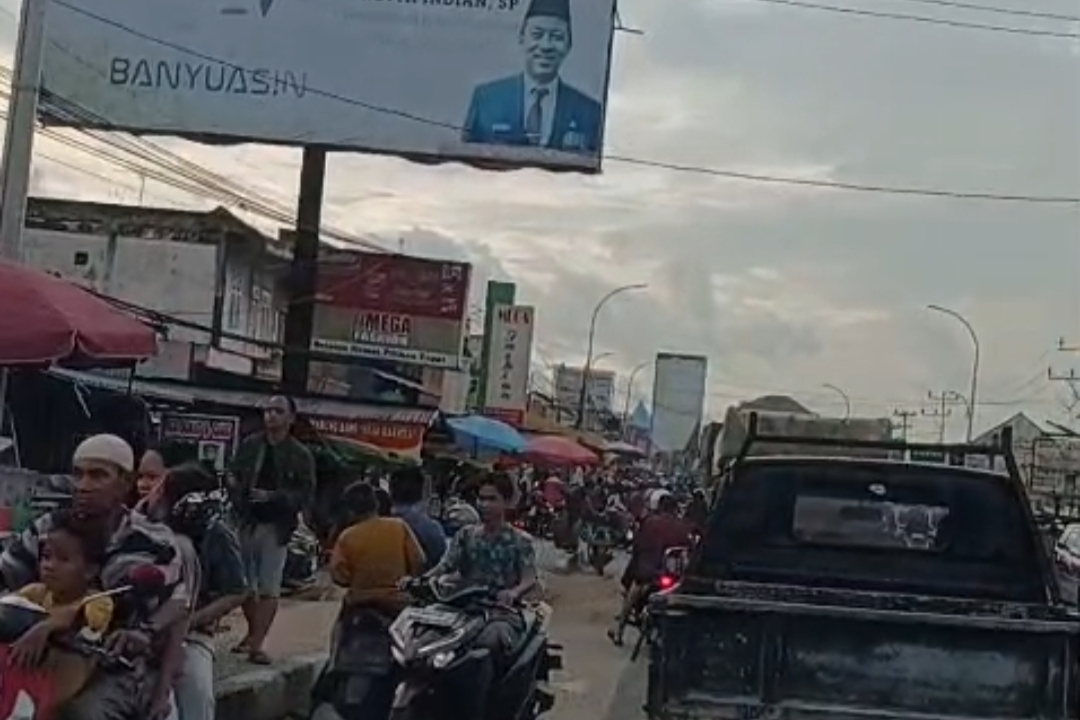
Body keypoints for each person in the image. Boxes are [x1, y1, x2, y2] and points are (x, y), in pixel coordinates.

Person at [0, 434, 187, 720]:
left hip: (122, 669)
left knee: (79, 713)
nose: (83, 485)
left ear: (126, 482)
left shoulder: (154, 542)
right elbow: (8, 574)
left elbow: (178, 608)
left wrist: (146, 634)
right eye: (78, 474)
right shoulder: (48, 528)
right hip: (45, 660)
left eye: (98, 475)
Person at [427, 473, 538, 720]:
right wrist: (423, 580)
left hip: (502, 614)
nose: (484, 504)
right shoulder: (466, 535)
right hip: (462, 608)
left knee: (486, 647)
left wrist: (512, 593)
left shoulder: (520, 541)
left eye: (492, 499)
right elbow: (445, 566)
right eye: (481, 498)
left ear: (507, 502)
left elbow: (529, 578)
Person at [149, 464, 249, 720]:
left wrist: (192, 621)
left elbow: (237, 591)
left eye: (161, 488)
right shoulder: (149, 527)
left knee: (197, 696)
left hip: (192, 635)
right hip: (149, 632)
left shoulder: (217, 534)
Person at [229, 395, 315, 665]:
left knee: (269, 586)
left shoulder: (300, 455)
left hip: (276, 526)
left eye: (278, 411)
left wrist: (275, 497)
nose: (271, 416)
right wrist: (238, 493)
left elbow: (305, 493)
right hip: (246, 520)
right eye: (268, 411)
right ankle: (253, 633)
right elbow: (233, 474)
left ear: (291, 418)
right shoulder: (250, 445)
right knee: (243, 585)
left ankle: (257, 643)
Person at [461, 0, 602, 153]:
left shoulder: (589, 112)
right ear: (522, 38)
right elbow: (465, 157)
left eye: (557, 37)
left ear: (569, 45)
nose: (546, 46)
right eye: (537, 35)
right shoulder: (487, 100)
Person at [9, 510, 115, 712]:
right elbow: (8, 607)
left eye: (63, 559)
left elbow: (78, 617)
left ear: (90, 570)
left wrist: (45, 627)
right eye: (46, 556)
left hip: (69, 692)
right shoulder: (36, 592)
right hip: (27, 683)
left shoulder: (99, 602)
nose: (49, 566)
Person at [609, 491, 692, 646]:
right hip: (674, 576)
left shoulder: (650, 523)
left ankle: (619, 631)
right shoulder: (683, 526)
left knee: (632, 593)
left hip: (650, 573)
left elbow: (638, 547)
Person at [329, 482, 425, 616]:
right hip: (398, 599)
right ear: (377, 504)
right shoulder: (399, 526)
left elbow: (338, 575)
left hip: (360, 601)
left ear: (350, 511)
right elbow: (419, 560)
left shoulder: (347, 536)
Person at [390, 466, 447, 571]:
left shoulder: (371, 526)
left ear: (391, 490)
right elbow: (440, 563)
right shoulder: (431, 528)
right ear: (422, 491)